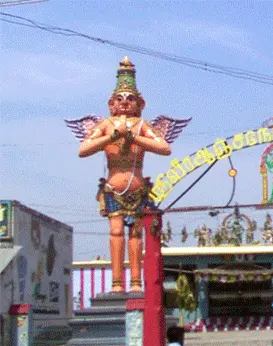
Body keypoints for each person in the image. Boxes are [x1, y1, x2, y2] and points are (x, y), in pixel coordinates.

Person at [66, 57, 189, 292]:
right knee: (115, 232)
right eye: (119, 100)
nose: (124, 104)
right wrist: (112, 136)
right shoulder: (105, 125)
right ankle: (116, 283)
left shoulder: (142, 125)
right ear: (111, 103)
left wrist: (132, 137)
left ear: (139, 103)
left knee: (135, 234)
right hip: (114, 186)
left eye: (130, 99)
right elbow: (83, 150)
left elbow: (164, 148)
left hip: (137, 187)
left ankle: (135, 282)